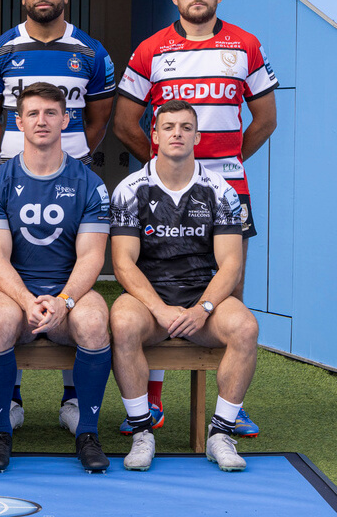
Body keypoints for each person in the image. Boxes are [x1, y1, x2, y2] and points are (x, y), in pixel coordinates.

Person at [113, 0, 277, 437]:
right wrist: (164, 167)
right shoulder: (151, 50)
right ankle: (153, 400)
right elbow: (126, 122)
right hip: (163, 186)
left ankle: (232, 407)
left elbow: (265, 119)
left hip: (228, 186)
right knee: (158, 276)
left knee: (230, 293)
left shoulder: (245, 45)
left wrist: (222, 164)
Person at [0, 0, 117, 436]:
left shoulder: (91, 51)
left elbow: (98, 119)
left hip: (71, 171)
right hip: (15, 172)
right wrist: (14, 150)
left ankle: (75, 403)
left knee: (76, 283)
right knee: (7, 289)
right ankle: (8, 403)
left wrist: (75, 152)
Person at [109, 100, 259, 472]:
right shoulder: (130, 189)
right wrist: (159, 309)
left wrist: (203, 309)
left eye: (185, 127)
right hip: (149, 302)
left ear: (197, 136)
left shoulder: (221, 190)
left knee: (246, 326)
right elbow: (123, 262)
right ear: (154, 135)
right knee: (122, 322)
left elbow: (230, 264)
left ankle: (220, 434)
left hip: (201, 300)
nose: (177, 133)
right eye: (169, 126)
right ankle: (143, 431)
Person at [0, 82, 111, 473]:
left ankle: (87, 432)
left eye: (51, 113)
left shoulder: (89, 182)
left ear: (65, 119)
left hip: (70, 293)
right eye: (32, 113)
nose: (42, 121)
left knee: (94, 319)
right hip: (17, 292)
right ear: (18, 121)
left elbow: (91, 256)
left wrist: (64, 301)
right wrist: (26, 301)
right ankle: (2, 429)